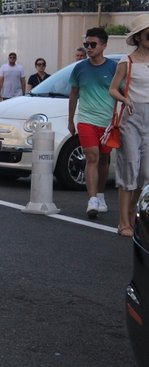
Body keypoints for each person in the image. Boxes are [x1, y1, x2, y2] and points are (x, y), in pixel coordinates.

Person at [68, 27, 118, 218]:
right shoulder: (79, 67)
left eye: (93, 44)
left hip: (107, 123)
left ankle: (100, 194)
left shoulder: (113, 67)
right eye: (86, 44)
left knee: (104, 159)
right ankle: (92, 200)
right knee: (92, 157)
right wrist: (71, 120)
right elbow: (73, 94)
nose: (88, 48)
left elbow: (121, 92)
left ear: (104, 46)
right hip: (86, 120)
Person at [108, 14, 149, 236]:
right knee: (129, 169)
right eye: (148, 34)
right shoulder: (127, 61)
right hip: (131, 118)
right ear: (138, 37)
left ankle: (134, 211)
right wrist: (124, 98)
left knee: (146, 174)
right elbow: (113, 88)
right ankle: (124, 221)